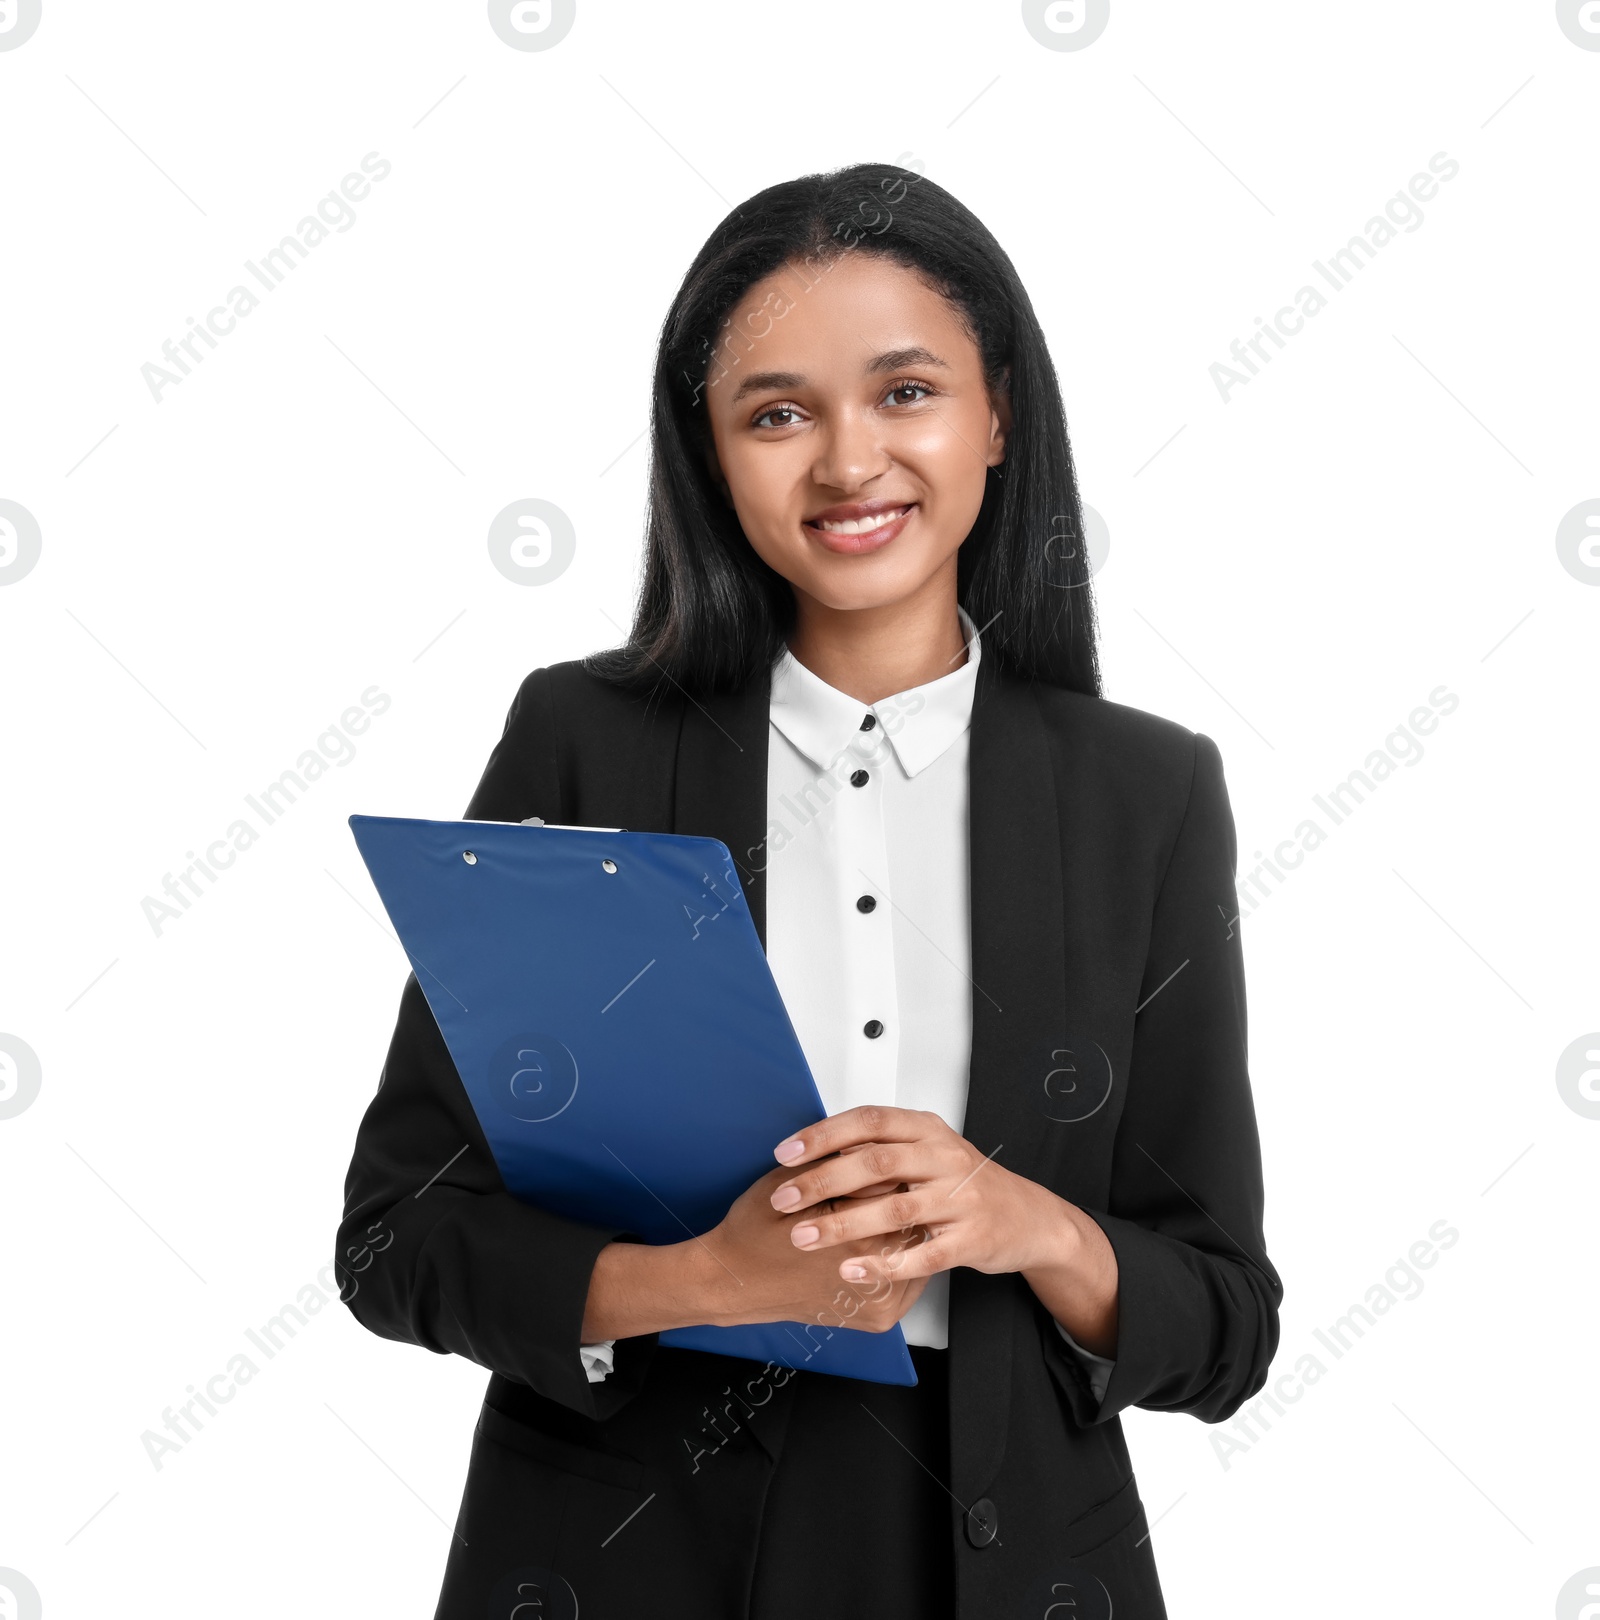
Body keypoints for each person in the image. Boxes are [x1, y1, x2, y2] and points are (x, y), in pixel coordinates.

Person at [335, 162, 1282, 1620]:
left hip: (1009, 1559)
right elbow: (399, 1237)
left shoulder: (1144, 794)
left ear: (999, 413)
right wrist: (702, 1279)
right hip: (624, 1553)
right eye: (778, 412)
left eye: (906, 391)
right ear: (711, 455)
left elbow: (1223, 1324)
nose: (848, 463)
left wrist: (1022, 1220)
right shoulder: (582, 742)